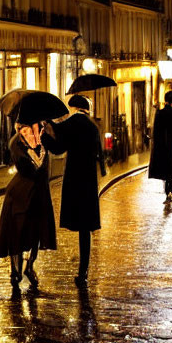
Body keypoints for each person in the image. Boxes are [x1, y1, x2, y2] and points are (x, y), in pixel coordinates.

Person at [41, 95, 107, 287]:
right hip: (88, 179)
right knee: (85, 229)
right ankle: (83, 270)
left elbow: (58, 148)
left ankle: (82, 271)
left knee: (77, 222)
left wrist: (45, 134)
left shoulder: (70, 124)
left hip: (74, 178)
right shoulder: (93, 127)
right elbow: (97, 152)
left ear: (74, 107)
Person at [0, 120, 56, 290]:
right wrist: (37, 152)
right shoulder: (17, 143)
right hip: (20, 194)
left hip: (39, 193)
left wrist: (44, 141)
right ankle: (15, 270)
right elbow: (27, 167)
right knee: (16, 232)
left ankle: (29, 266)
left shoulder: (41, 139)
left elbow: (52, 155)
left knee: (36, 233)